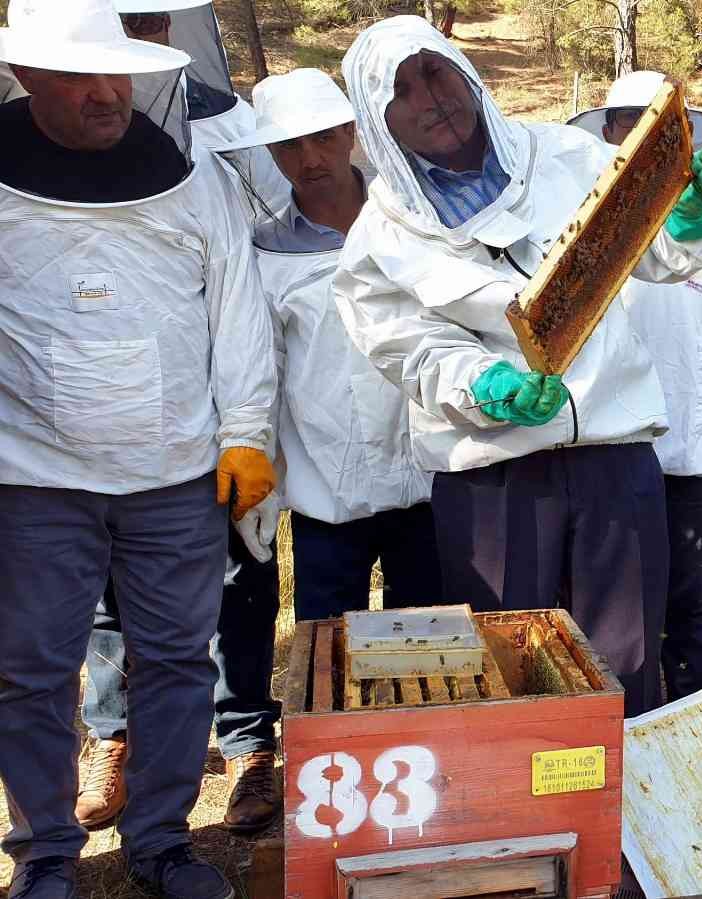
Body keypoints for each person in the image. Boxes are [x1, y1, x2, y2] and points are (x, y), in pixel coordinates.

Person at [333, 17, 702, 716]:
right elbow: (405, 347)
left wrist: (689, 218)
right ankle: (531, 821)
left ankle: (621, 816)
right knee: (511, 670)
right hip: (494, 477)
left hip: (615, 454)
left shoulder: (565, 156)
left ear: (466, 73)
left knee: (626, 664)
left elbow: (656, 253)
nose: (431, 98)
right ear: (379, 118)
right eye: (403, 90)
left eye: (436, 72)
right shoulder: (380, 237)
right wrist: (483, 385)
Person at [0, 0, 276, 895]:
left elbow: (237, 309)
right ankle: (44, 856)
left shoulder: (194, 175)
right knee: (32, 673)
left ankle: (162, 842)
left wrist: (247, 437)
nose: (107, 92)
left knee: (174, 662)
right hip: (33, 476)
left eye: (117, 70)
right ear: (28, 76)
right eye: (79, 75)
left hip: (176, 475)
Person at [72, 0, 291, 838]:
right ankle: (111, 734)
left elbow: (276, 243)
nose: (143, 38)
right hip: (94, 411)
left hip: (213, 400)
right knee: (102, 585)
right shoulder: (40, 133)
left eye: (156, 21)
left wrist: (248, 415)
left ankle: (245, 746)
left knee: (240, 575)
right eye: (127, 19)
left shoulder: (225, 123)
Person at [570, 70, 702, 700]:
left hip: (689, 446)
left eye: (655, 130)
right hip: (606, 451)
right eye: (628, 128)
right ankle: (618, 724)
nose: (639, 142)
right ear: (607, 133)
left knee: (687, 595)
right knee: (609, 605)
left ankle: (687, 714)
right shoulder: (585, 223)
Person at [216, 67, 443, 622]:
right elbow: (260, 369)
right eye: (289, 145)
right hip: (327, 501)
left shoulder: (415, 223)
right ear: (269, 152)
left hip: (432, 488)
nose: (309, 158)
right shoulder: (265, 256)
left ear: (350, 132)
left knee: (428, 652)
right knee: (328, 654)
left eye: (322, 137)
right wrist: (259, 470)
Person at [114, 0, 290, 220]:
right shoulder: (81, 122)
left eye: (146, 22)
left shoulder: (232, 118)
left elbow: (277, 205)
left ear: (167, 23)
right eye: (118, 27)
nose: (133, 38)